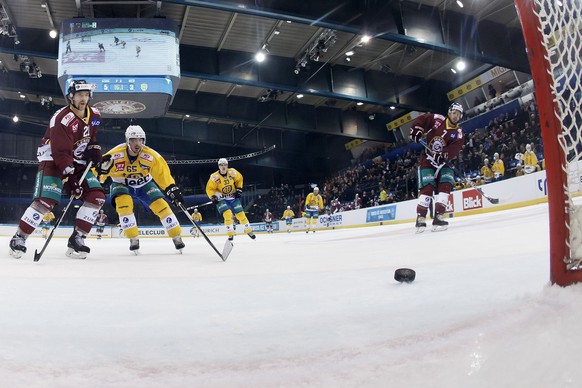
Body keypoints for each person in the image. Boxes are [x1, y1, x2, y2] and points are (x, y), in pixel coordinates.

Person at [9, 80, 106, 259]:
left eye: (86, 95)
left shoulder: (95, 114)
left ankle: (77, 239)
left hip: (77, 161)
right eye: (79, 95)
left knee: (97, 197)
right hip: (53, 159)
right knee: (46, 201)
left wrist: (94, 148)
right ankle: (19, 238)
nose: (83, 98)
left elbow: (91, 138)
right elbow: (60, 152)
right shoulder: (62, 118)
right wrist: (70, 179)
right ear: (71, 96)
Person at [98, 125, 185, 254]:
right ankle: (133, 238)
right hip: (121, 183)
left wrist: (171, 188)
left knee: (161, 206)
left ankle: (176, 236)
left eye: (140, 140)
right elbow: (99, 168)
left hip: (144, 183)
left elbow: (162, 174)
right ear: (128, 141)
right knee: (124, 206)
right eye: (134, 140)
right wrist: (97, 175)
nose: (137, 143)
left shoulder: (151, 155)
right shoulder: (115, 154)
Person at [410, 102, 465, 232]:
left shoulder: (459, 133)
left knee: (446, 186)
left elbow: (454, 149)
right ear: (449, 112)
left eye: (458, 114)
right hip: (428, 160)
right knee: (427, 188)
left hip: (444, 163)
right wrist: (417, 129)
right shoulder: (438, 120)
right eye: (453, 112)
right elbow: (421, 120)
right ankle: (420, 218)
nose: (455, 115)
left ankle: (438, 216)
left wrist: (443, 155)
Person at [205, 158, 255, 241]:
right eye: (221, 165)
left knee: (241, 215)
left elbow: (239, 179)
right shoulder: (214, 177)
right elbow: (209, 189)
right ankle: (230, 234)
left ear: (227, 165)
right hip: (221, 198)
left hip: (232, 196)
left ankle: (249, 230)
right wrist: (212, 196)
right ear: (219, 166)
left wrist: (239, 189)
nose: (223, 166)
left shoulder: (232, 172)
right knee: (227, 214)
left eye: (225, 164)